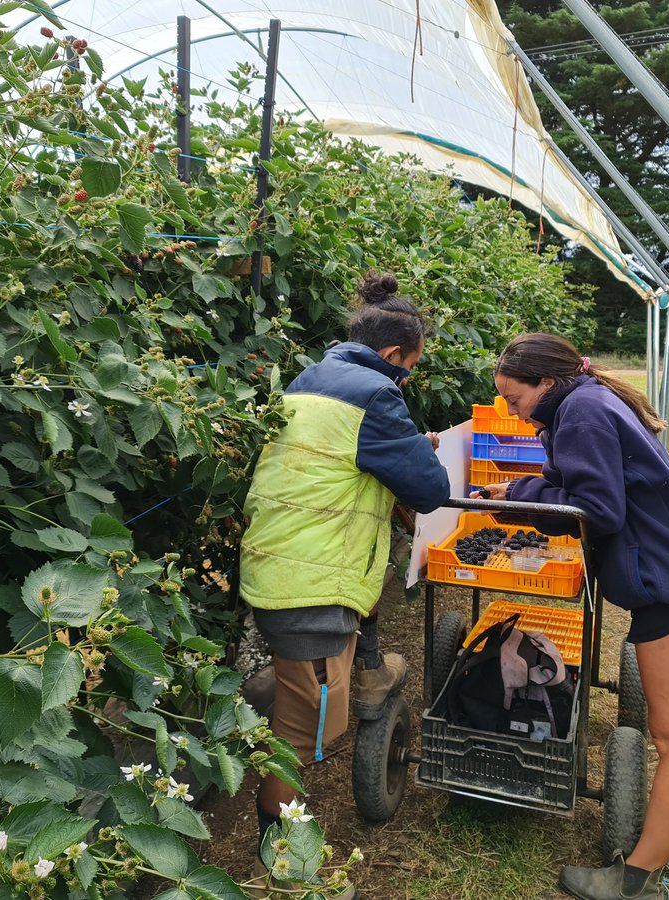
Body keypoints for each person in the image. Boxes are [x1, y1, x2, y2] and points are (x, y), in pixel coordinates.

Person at [472, 333, 669, 900]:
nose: (514, 413)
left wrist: (521, 500)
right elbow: (585, 485)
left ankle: (635, 881)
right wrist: (522, 489)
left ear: (546, 382)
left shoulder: (582, 412)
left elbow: (596, 509)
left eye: (516, 399)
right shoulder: (582, 401)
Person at [239, 272, 451, 894]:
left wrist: (406, 443)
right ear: (394, 355)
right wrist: (416, 447)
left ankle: (279, 695)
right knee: (305, 737)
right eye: (410, 369)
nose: (406, 380)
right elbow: (431, 490)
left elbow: (339, 457)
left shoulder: (309, 379)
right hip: (311, 584)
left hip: (279, 565)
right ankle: (287, 872)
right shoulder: (377, 395)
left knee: (302, 706)